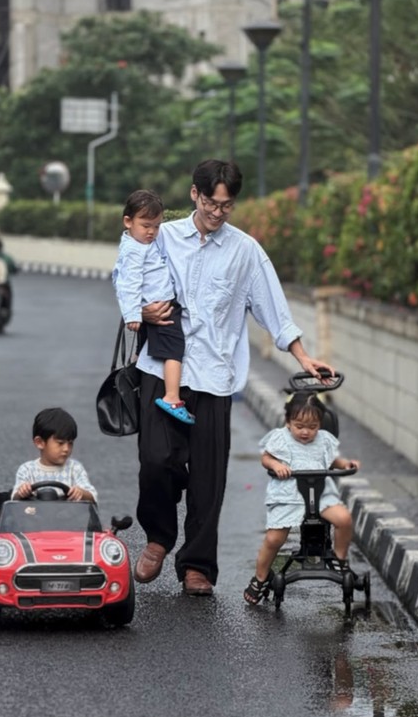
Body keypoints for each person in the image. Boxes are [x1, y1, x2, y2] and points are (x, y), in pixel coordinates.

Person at [132, 158, 334, 597]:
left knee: (208, 477)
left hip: (214, 377)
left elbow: (273, 309)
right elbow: (126, 276)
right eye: (211, 202)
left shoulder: (245, 251)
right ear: (194, 195)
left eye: (226, 205)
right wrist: (141, 310)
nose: (218, 212)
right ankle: (159, 537)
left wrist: (302, 357)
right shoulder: (161, 238)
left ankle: (197, 564)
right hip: (160, 368)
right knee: (155, 461)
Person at [243, 391, 360, 605]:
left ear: (319, 424)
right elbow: (266, 458)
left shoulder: (324, 440)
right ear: (288, 422)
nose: (305, 432)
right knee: (274, 539)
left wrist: (345, 465)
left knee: (343, 519)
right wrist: (276, 465)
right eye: (299, 426)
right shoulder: (280, 437)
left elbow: (333, 459)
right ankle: (260, 578)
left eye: (313, 427)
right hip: (289, 494)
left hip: (320, 494)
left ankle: (341, 558)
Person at [112, 189, 192, 424]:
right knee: (175, 349)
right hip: (160, 310)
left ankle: (139, 368)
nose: (152, 232)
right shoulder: (134, 250)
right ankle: (172, 397)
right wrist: (133, 314)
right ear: (128, 221)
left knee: (144, 349)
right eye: (146, 225)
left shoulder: (140, 244)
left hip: (155, 306)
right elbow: (128, 284)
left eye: (156, 227)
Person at [12, 407, 98, 502]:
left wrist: (81, 493)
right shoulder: (27, 470)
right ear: (39, 442)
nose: (66, 449)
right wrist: (22, 492)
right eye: (60, 443)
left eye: (70, 443)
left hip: (68, 515)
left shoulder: (75, 469)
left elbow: (92, 498)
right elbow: (14, 501)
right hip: (35, 515)